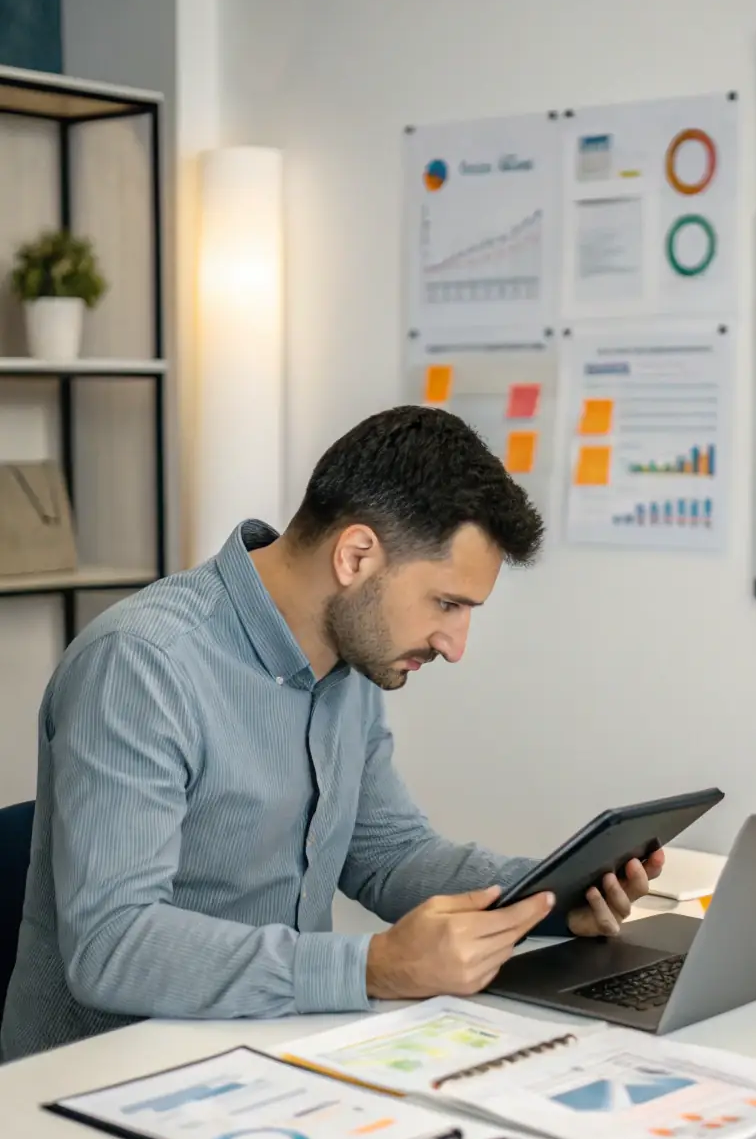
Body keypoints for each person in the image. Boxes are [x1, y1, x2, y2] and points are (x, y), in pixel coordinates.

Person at [1, 406, 662, 1061]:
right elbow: (113, 946)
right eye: (447, 603)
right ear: (355, 554)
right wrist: (370, 967)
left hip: (275, 1055)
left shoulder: (347, 663)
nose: (454, 645)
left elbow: (389, 854)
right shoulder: (142, 664)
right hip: (102, 1084)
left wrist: (550, 894)